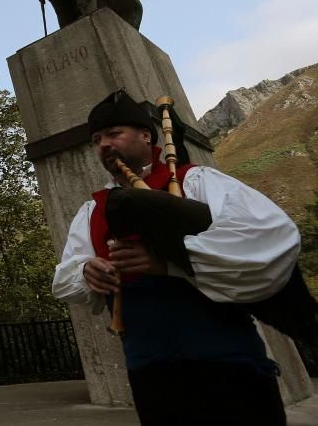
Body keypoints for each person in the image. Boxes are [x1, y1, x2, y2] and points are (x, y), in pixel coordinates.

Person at [52, 90, 301, 425]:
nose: (104, 145)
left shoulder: (195, 181)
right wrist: (86, 271)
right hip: (151, 373)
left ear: (145, 135)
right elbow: (64, 278)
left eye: (113, 134)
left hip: (229, 366)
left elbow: (270, 235)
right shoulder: (92, 210)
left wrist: (170, 262)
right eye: (97, 140)